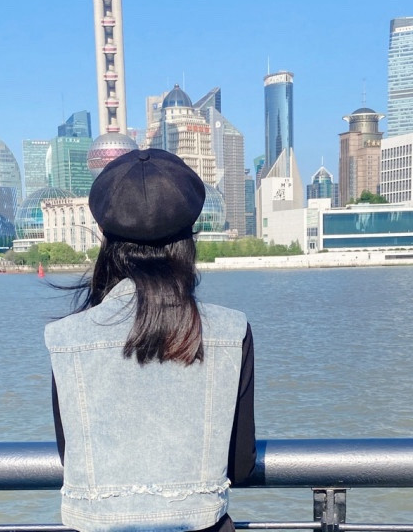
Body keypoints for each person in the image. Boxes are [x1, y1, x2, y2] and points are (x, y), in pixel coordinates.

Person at [45, 148, 256, 532]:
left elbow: (72, 456)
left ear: (105, 239)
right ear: (189, 240)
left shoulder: (66, 338)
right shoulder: (231, 330)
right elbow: (240, 466)